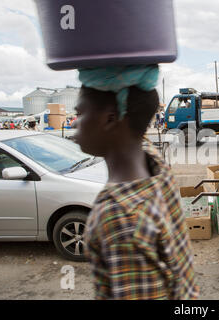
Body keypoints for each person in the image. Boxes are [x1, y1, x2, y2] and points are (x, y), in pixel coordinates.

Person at [73, 65, 199, 300]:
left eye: (80, 113)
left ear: (110, 119)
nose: (73, 123)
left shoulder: (119, 216)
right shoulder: (152, 162)